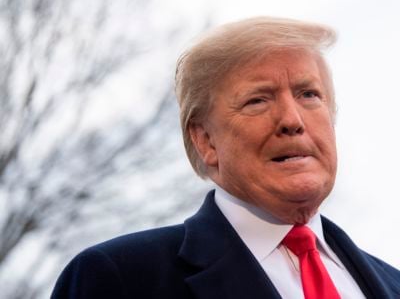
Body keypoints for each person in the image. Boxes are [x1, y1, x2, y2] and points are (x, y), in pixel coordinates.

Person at [51, 16, 400, 298]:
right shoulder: (121, 279)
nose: (292, 121)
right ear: (205, 141)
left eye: (309, 94)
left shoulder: (392, 284)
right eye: (258, 100)